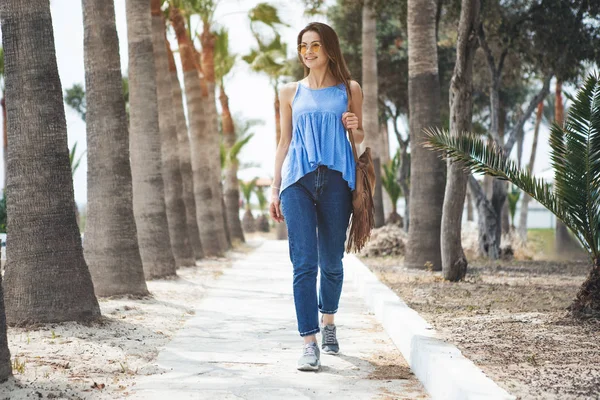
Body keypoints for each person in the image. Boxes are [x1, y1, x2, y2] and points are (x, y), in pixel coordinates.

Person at [269, 22, 365, 372]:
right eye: (303, 46)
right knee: (304, 264)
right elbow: (284, 142)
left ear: (329, 49)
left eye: (315, 45)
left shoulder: (349, 89)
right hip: (297, 180)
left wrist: (355, 125)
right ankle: (309, 342)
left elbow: (361, 133)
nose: (308, 52)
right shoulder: (289, 91)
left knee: (332, 264)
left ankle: (329, 322)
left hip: (337, 180)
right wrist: (275, 186)